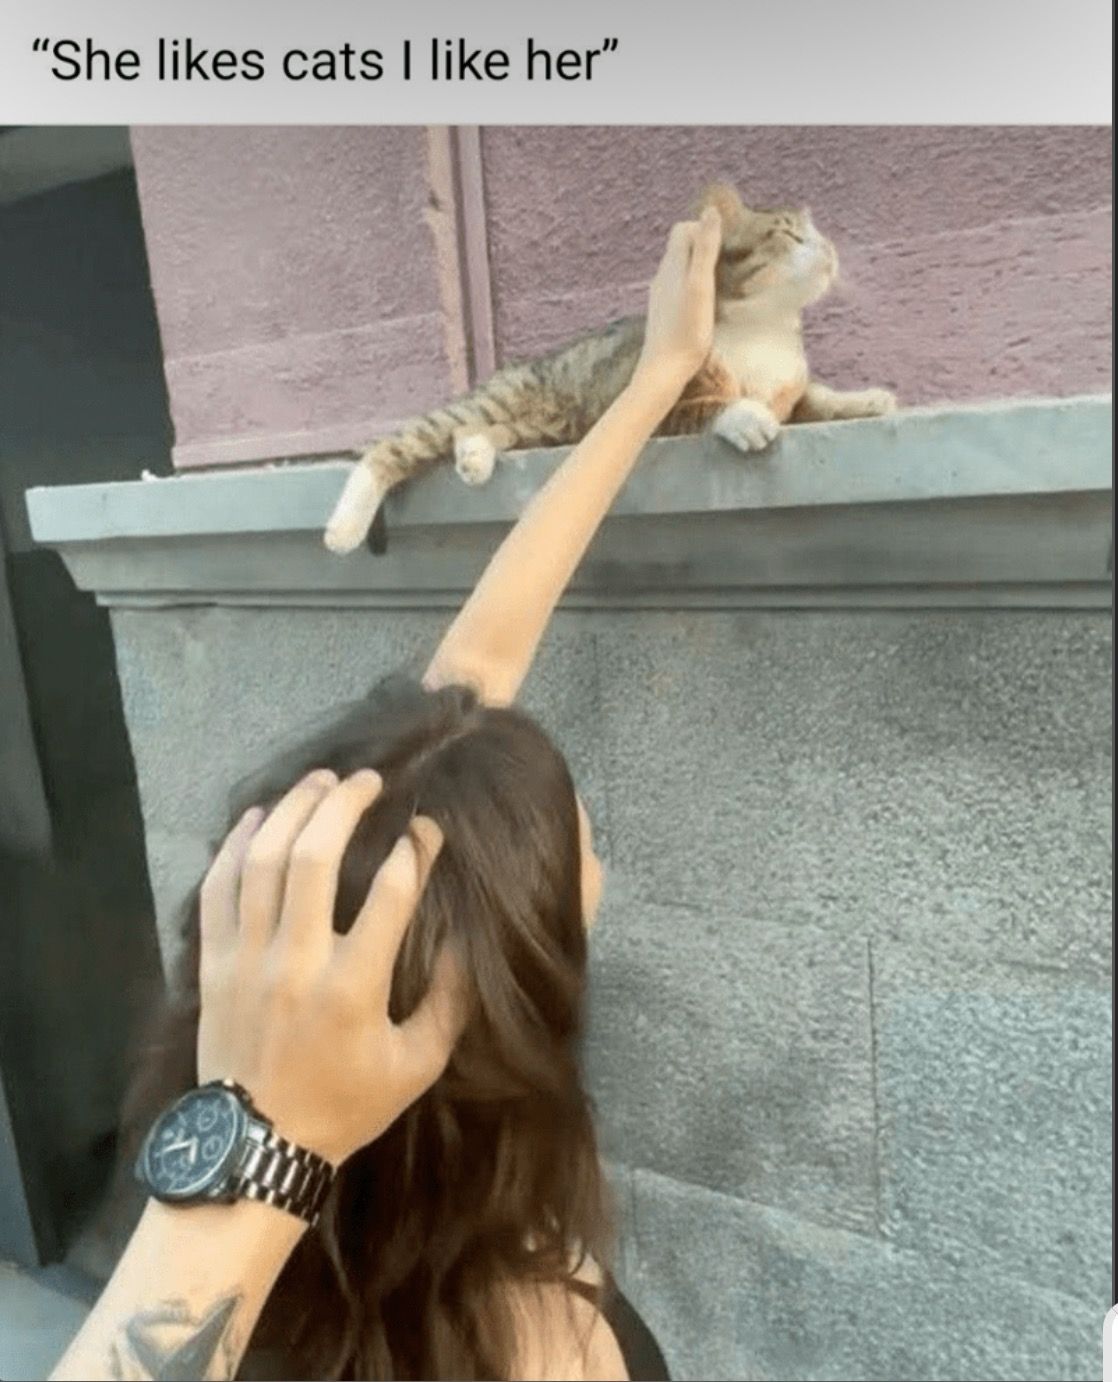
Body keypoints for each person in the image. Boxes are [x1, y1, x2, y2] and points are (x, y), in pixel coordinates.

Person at [50, 206, 723, 1382]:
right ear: (503, 1007)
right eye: (576, 850)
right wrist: (264, 1131)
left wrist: (650, 378)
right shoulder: (543, 1344)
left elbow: (470, 681)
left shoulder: (291, 1275)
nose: (596, 863)